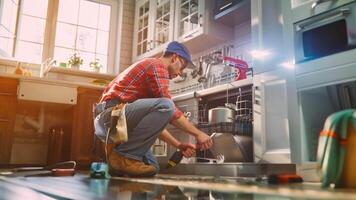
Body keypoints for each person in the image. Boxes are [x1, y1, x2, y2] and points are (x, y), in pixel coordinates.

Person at [93, 41, 213, 177]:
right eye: (182, 67)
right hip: (110, 117)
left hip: (116, 122)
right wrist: (198, 134)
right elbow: (169, 109)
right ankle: (123, 157)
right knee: (166, 105)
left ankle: (118, 163)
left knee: (152, 168)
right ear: (174, 58)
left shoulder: (151, 77)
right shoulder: (157, 65)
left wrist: (179, 145)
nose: (180, 73)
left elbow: (155, 124)